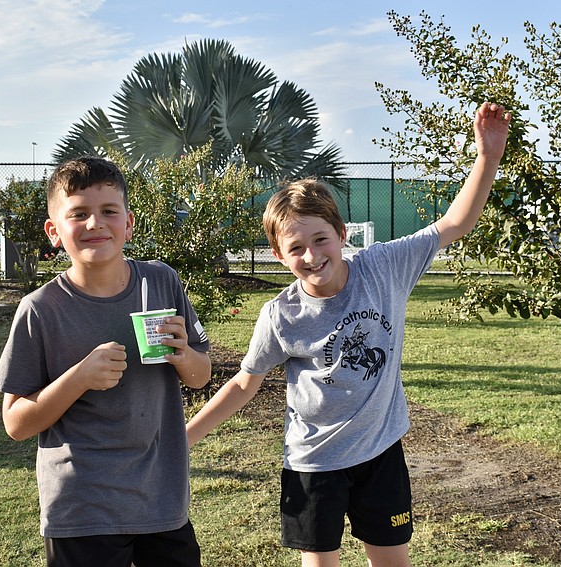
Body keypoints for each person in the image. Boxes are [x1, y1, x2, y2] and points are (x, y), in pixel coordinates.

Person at [186, 102, 511, 567]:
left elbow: (455, 224)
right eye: (295, 247)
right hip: (313, 465)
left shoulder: (383, 267)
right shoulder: (281, 316)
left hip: (380, 452)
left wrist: (488, 157)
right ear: (279, 255)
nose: (312, 255)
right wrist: (185, 438)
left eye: (320, 240)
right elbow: (242, 384)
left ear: (341, 235)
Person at [0, 156, 212, 567]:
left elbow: (201, 376)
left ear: (128, 224)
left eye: (109, 211)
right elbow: (15, 423)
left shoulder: (160, 281)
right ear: (54, 232)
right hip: (82, 507)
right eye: (79, 214)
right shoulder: (40, 310)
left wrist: (184, 356)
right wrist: (78, 378)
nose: (95, 224)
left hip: (160, 499)